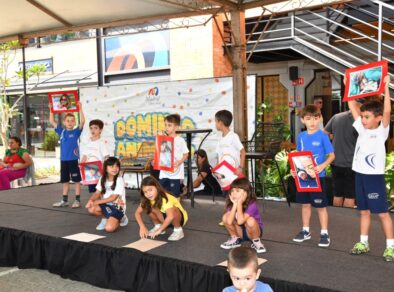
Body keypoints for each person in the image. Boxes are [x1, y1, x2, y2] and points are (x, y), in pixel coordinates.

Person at [347, 75, 394, 261]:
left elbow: (388, 109)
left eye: (367, 117)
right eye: (363, 116)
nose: (363, 119)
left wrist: (386, 86)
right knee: (364, 211)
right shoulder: (362, 129)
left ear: (379, 118)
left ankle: (390, 247)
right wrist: (349, 87)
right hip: (360, 175)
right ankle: (363, 243)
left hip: (374, 177)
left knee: (382, 213)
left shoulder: (381, 131)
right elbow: (352, 106)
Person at [292, 104, 335, 247]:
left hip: (319, 177)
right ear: (302, 120)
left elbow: (332, 156)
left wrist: (322, 165)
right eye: (308, 118)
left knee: (320, 206)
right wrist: (295, 171)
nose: (312, 122)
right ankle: (305, 231)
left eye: (315, 118)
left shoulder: (323, 136)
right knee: (305, 205)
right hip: (303, 177)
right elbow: (298, 156)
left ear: (319, 119)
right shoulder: (301, 136)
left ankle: (324, 233)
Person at [49, 102, 85, 208]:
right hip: (63, 161)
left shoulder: (76, 132)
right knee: (65, 181)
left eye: (72, 121)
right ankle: (65, 200)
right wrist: (51, 109)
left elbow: (82, 121)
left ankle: (77, 200)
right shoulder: (62, 131)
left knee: (76, 181)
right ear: (64, 122)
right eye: (68, 121)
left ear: (74, 123)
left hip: (73, 160)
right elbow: (51, 121)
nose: (70, 122)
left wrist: (80, 108)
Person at [135, 176, 188, 241]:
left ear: (157, 188)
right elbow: (137, 213)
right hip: (165, 217)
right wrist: (142, 226)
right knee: (148, 206)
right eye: (145, 192)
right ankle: (158, 225)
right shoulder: (147, 199)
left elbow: (170, 216)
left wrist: (160, 230)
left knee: (173, 208)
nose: (148, 194)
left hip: (179, 218)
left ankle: (178, 230)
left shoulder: (164, 198)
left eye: (150, 190)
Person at [220, 178, 266, 254]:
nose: (234, 193)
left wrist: (239, 204)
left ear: (246, 193)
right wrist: (235, 204)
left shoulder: (252, 204)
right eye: (232, 191)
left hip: (253, 232)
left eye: (237, 191)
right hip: (240, 232)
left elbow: (240, 221)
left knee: (250, 220)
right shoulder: (231, 203)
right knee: (225, 217)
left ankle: (256, 241)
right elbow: (228, 221)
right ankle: (235, 239)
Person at [324, 110, 358, 208]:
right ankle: (346, 221)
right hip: (352, 163)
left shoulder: (337, 116)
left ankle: (337, 220)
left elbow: (324, 133)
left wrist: (332, 142)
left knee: (337, 194)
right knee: (350, 196)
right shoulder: (360, 120)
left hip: (335, 161)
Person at [85, 157, 127, 232]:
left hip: (117, 207)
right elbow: (97, 193)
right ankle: (105, 219)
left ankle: (121, 219)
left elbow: (113, 198)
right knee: (91, 209)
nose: (115, 168)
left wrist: (97, 202)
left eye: (117, 166)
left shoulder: (119, 179)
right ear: (106, 168)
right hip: (106, 205)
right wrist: (91, 200)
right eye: (112, 166)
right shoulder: (102, 178)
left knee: (109, 228)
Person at [159, 114, 189, 197]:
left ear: (176, 127)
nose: (166, 127)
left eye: (169, 125)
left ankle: (176, 209)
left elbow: (186, 154)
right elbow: (163, 155)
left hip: (175, 173)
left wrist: (179, 162)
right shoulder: (164, 139)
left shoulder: (180, 140)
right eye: (165, 125)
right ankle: (165, 209)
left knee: (175, 195)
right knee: (163, 192)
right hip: (164, 172)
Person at [80, 119, 110, 194]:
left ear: (100, 130)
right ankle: (96, 204)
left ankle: (100, 204)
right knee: (93, 190)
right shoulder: (88, 143)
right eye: (91, 128)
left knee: (100, 190)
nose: (93, 130)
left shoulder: (101, 143)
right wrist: (81, 165)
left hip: (99, 170)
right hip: (88, 170)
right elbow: (85, 156)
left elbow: (106, 157)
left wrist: (105, 169)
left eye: (95, 128)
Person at [215, 110, 245, 178]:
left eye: (216, 121)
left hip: (233, 173)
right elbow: (219, 155)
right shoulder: (220, 138)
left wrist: (240, 167)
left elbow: (243, 152)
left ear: (220, 123)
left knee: (233, 188)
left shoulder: (233, 136)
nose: (215, 124)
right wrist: (216, 168)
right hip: (223, 174)